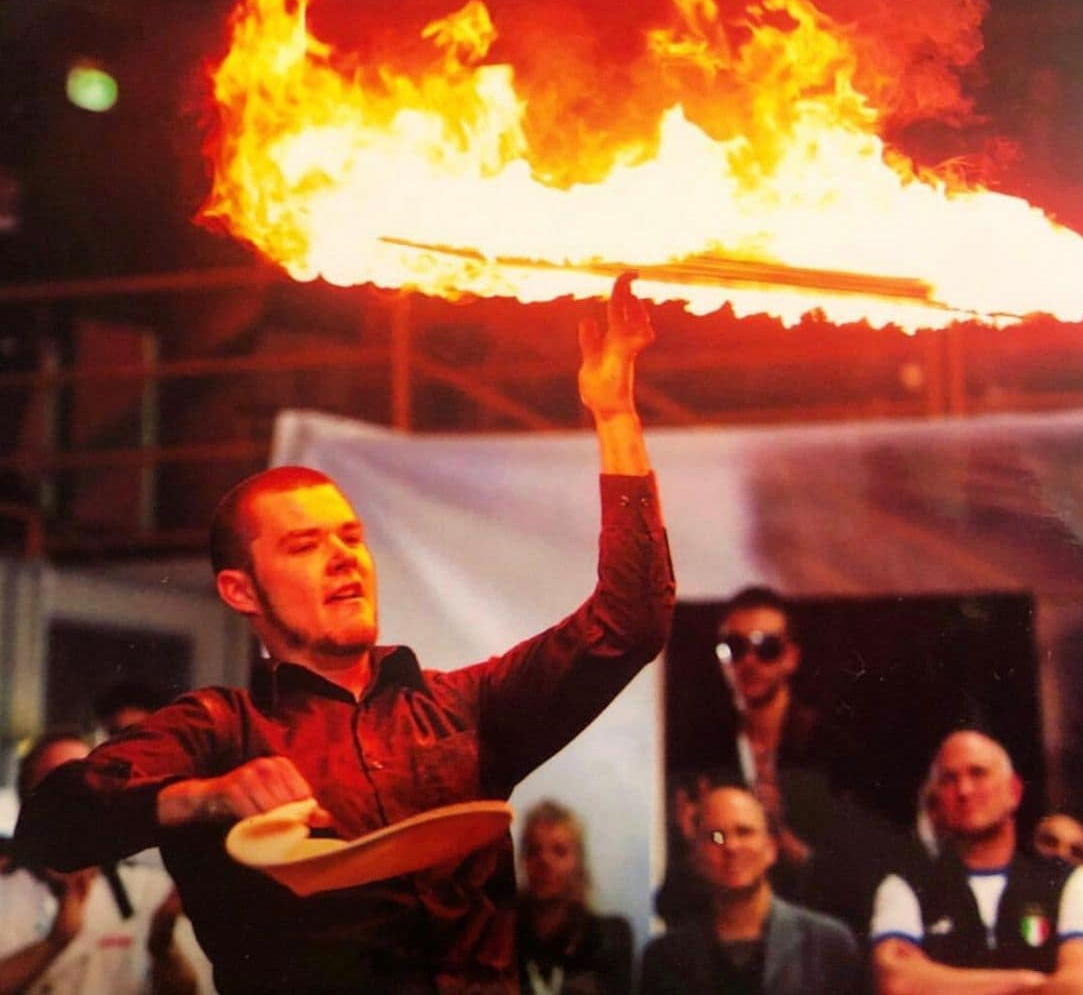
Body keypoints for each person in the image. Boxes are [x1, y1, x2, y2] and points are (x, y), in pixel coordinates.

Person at [12, 274, 676, 991]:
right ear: (240, 590)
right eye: (304, 546)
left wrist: (613, 412)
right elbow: (49, 825)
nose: (342, 558)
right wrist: (199, 797)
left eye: (351, 537)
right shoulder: (219, 730)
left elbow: (630, 621)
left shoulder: (464, 708)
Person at [659, 589, 839, 926]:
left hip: (812, 932)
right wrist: (696, 847)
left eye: (767, 648)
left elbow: (858, 876)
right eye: (735, 647)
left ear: (791, 657)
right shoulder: (700, 752)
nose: (750, 662)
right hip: (725, 934)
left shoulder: (830, 745)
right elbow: (670, 900)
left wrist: (785, 841)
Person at [870, 731, 1083, 995]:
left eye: (978, 773)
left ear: (1014, 791)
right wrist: (1027, 983)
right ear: (937, 799)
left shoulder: (1070, 882)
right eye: (949, 779)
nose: (964, 790)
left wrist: (938, 981)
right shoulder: (905, 887)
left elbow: (1079, 984)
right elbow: (898, 983)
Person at [0, 733, 209, 995]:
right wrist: (54, 943)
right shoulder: (5, 887)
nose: (75, 802)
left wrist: (161, 942)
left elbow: (190, 990)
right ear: (29, 801)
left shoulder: (149, 889)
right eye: (58, 786)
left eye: (86, 787)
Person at [640, 787, 862, 995]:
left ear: (771, 849)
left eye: (744, 832)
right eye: (716, 836)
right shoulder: (665, 958)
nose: (731, 846)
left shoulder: (827, 944)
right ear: (697, 857)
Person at [516, 800, 634, 995]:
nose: (544, 861)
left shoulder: (607, 938)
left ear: (578, 862)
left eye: (559, 851)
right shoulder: (507, 943)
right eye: (534, 851)